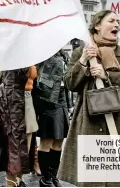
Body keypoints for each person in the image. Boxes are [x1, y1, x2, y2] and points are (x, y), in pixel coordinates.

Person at [57, 10, 120, 187]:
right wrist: (83, 61)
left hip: (119, 121)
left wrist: (108, 76)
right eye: (111, 20)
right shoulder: (81, 52)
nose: (117, 25)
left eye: (118, 22)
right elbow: (70, 84)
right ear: (97, 25)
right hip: (89, 122)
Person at [34, 50, 69, 187]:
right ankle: (45, 178)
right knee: (47, 140)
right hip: (47, 98)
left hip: (62, 98)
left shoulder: (64, 54)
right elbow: (39, 75)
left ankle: (54, 175)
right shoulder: (43, 52)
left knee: (59, 140)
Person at [0, 66, 38, 187]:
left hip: (28, 100)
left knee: (26, 147)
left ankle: (19, 180)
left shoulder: (28, 57)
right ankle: (11, 183)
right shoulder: (13, 61)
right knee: (14, 148)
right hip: (14, 103)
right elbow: (9, 87)